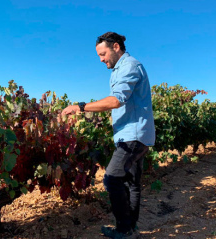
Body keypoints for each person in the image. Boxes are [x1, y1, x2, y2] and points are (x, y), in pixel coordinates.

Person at [62, 32, 155, 239]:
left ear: (115, 47)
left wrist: (81, 107)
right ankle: (130, 229)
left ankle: (124, 230)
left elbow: (116, 100)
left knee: (112, 179)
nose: (101, 59)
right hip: (138, 134)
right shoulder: (122, 68)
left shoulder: (129, 66)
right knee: (131, 183)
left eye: (102, 54)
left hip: (132, 135)